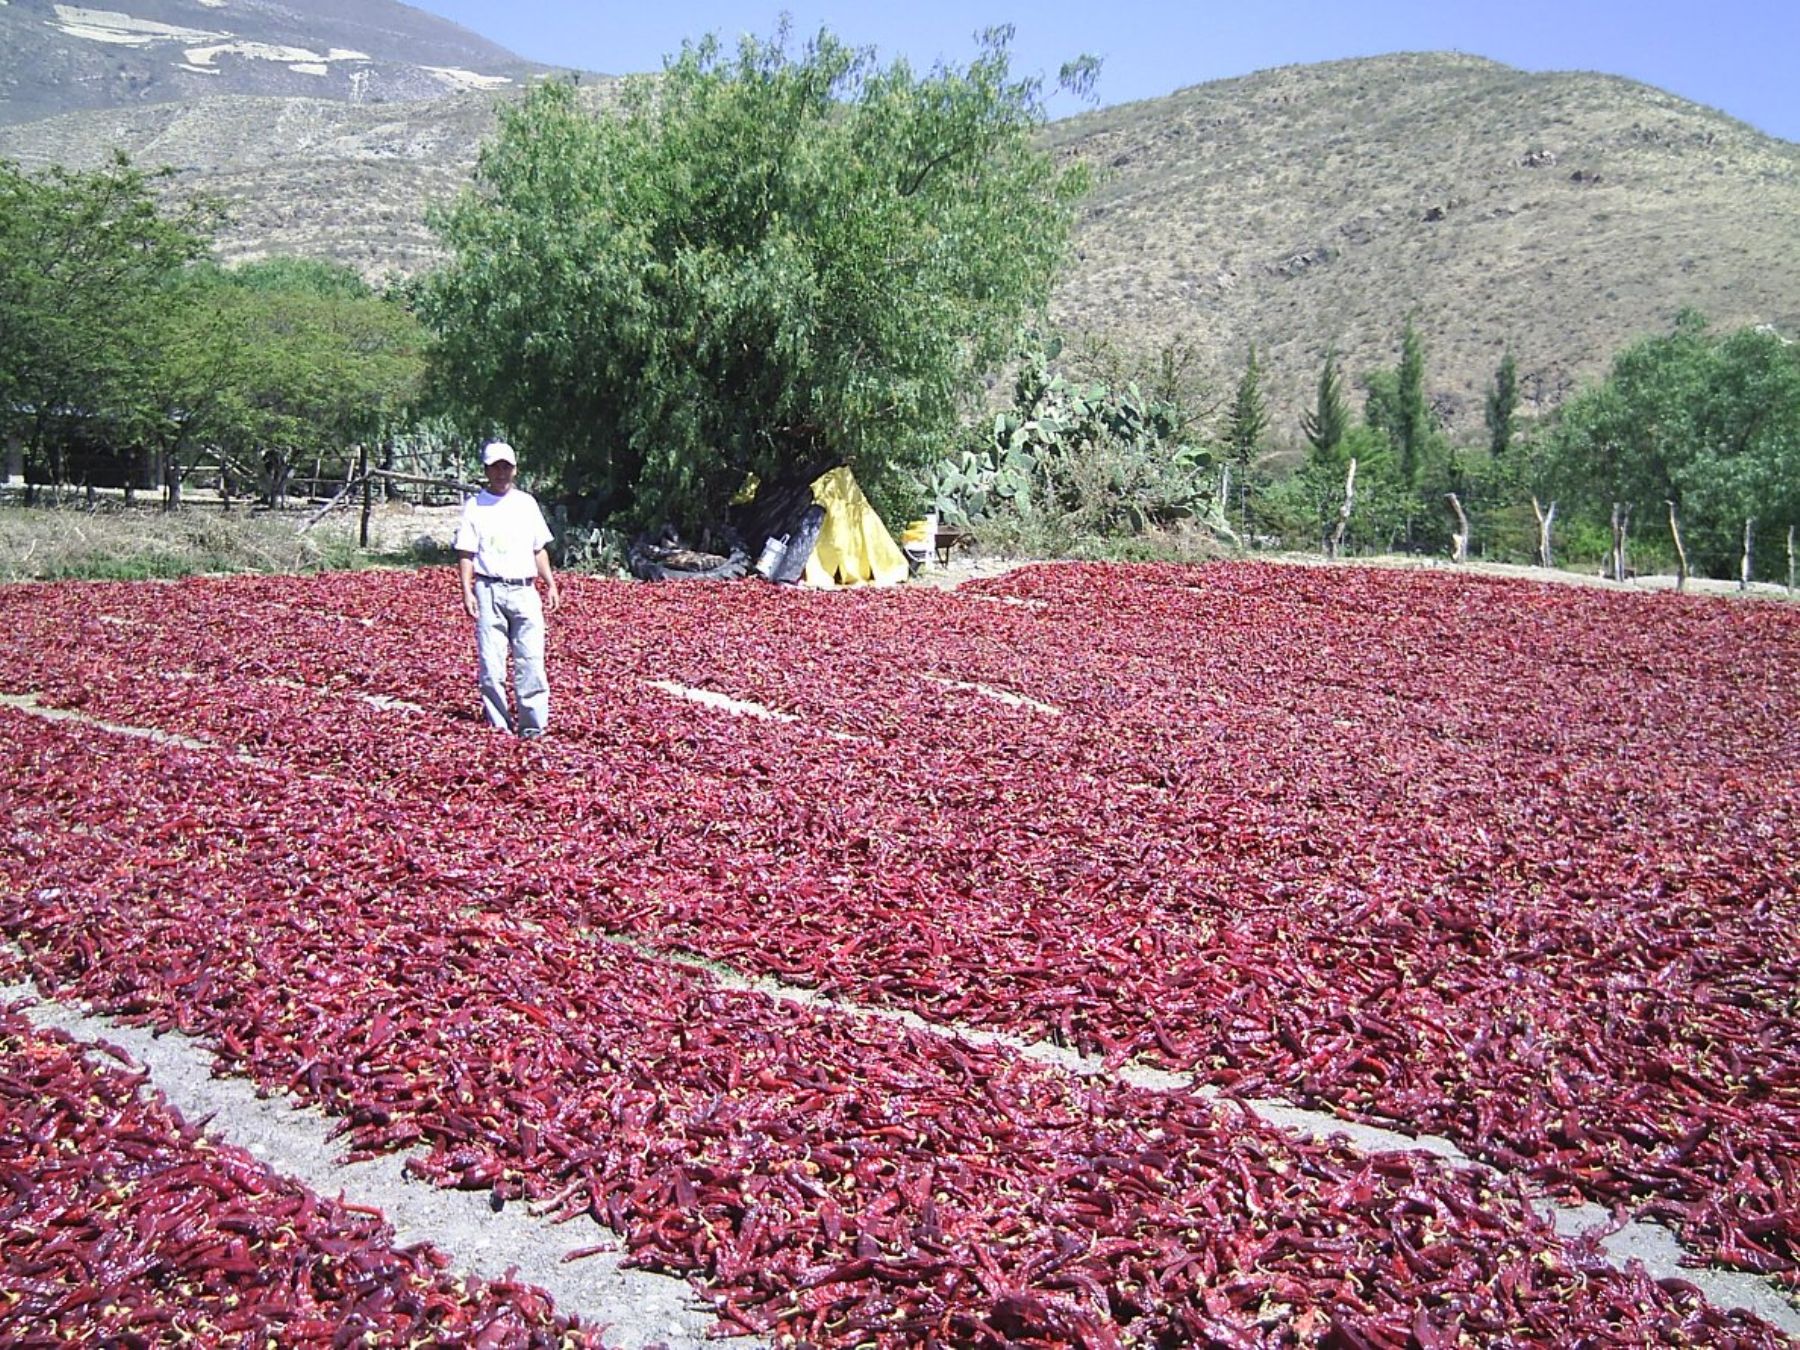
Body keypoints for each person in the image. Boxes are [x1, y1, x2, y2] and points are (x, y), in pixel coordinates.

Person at [454, 441, 561, 737]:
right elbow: (466, 553)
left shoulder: (526, 504)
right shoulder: (475, 506)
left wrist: (550, 584)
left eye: (506, 466)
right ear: (486, 470)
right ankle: (499, 727)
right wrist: (467, 592)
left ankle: (532, 728)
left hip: (525, 590)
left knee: (531, 662)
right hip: (489, 589)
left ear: (514, 469)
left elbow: (538, 548)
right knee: (492, 665)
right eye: (495, 467)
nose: (501, 472)